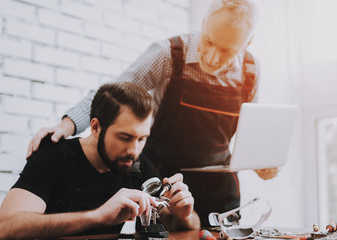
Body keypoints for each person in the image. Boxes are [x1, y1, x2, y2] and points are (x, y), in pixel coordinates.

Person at [26, 0, 278, 226]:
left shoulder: (251, 70)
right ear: (203, 23)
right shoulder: (168, 54)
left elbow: (250, 132)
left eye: (227, 51)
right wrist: (66, 126)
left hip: (220, 187)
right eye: (209, 41)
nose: (213, 58)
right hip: (165, 180)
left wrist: (262, 162)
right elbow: (111, 93)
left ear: (248, 43)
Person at [0, 82, 200, 240]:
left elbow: (176, 222)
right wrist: (97, 216)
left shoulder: (139, 165)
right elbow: (2, 229)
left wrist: (184, 214)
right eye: (124, 137)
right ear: (96, 127)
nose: (134, 150)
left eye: (142, 139)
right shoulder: (54, 156)